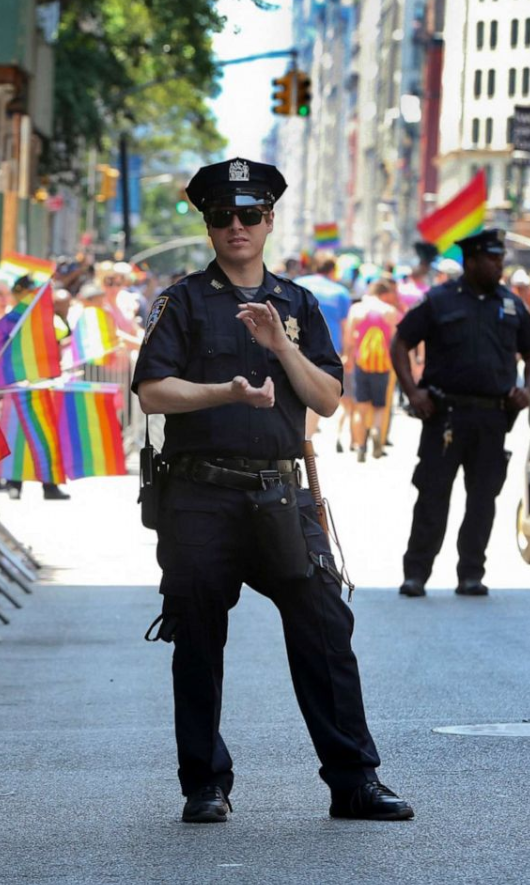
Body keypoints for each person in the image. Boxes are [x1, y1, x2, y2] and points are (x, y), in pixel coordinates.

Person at [132, 157, 413, 824]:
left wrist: (281, 348)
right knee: (197, 637)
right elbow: (151, 389)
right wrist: (224, 391)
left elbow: (328, 398)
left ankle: (353, 779)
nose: (236, 226)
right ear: (207, 225)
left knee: (323, 627)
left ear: (268, 221)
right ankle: (204, 782)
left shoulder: (297, 303)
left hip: (278, 495)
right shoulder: (182, 301)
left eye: (249, 214)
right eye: (222, 216)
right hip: (200, 495)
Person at [391, 229, 530, 598]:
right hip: (444, 416)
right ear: (471, 261)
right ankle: (416, 573)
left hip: (493, 419)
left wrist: (526, 390)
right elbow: (401, 341)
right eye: (492, 259)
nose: (499, 265)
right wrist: (412, 391)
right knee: (432, 496)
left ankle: (471, 573)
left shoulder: (512, 305)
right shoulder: (439, 300)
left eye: (500, 258)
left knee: (483, 499)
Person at [293, 257, 352, 447]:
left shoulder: (298, 285)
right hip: (329, 352)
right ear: (333, 271)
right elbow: (346, 326)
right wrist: (347, 353)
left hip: (297, 348)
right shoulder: (341, 292)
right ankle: (306, 439)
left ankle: (297, 435)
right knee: (317, 394)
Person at [345, 278, 401, 461]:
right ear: (384, 294)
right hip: (382, 364)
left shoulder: (357, 309)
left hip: (361, 363)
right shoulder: (390, 311)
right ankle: (377, 431)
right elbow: (394, 341)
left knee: (360, 408)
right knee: (379, 406)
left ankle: (360, 447)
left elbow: (349, 340)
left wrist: (349, 358)